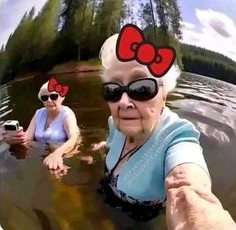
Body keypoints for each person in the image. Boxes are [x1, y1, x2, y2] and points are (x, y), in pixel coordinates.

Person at [92, 24, 236, 227]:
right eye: (113, 90)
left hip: (139, 219)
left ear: (164, 95)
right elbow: (111, 144)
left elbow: (186, 187)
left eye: (142, 88)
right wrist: (101, 148)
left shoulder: (177, 137)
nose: (123, 102)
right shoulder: (115, 124)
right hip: (104, 193)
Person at [2, 78, 80, 170]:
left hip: (65, 152)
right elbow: (27, 138)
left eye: (53, 96)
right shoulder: (39, 113)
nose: (49, 100)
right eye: (45, 97)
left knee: (57, 172)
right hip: (43, 152)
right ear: (42, 101)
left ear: (62, 98)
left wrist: (57, 154)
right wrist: (16, 139)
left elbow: (74, 138)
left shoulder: (67, 114)